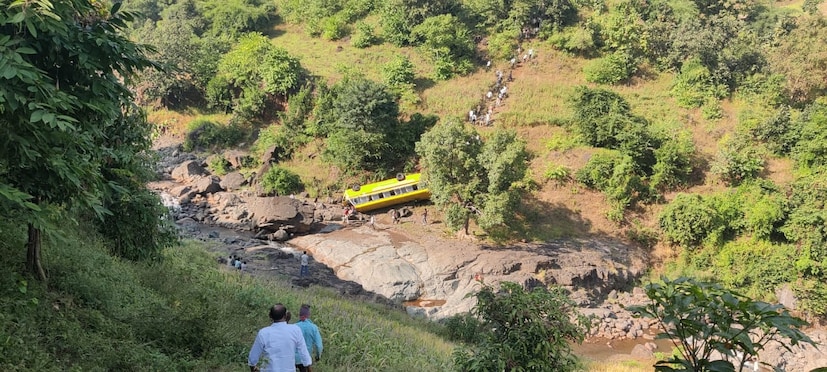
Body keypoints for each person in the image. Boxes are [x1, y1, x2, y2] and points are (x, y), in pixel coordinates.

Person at [248, 303, 312, 372]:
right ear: (285, 316)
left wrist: (253, 368)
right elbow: (304, 353)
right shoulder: (295, 330)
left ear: (270, 316)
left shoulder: (263, 333)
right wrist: (309, 369)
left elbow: (253, 357)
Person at [295, 304, 323, 372]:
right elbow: (319, 345)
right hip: (305, 359)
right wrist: (318, 356)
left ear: (299, 315)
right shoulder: (314, 327)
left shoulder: (294, 327)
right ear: (308, 315)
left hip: (292, 358)